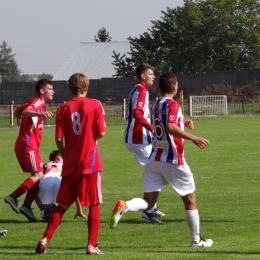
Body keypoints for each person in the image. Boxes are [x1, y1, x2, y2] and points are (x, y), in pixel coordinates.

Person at [110, 72, 213, 247]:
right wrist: (193, 137)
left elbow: (163, 124)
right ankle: (196, 241)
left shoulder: (156, 103)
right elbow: (170, 127)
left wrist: (183, 122)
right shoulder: (173, 104)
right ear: (174, 87)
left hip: (154, 161)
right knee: (190, 200)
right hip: (173, 161)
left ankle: (125, 206)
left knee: (148, 203)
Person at [35, 73, 106, 255]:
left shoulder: (63, 108)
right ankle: (91, 245)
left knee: (62, 205)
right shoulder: (95, 104)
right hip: (90, 163)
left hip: (70, 164)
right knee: (94, 204)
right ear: (86, 87)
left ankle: (45, 239)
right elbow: (101, 133)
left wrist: (65, 152)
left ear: (70, 88)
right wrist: (90, 139)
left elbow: (58, 137)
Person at [110, 63, 164, 228]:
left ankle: (151, 208)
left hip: (133, 138)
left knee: (154, 172)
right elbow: (138, 113)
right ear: (142, 76)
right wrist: (152, 128)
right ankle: (132, 207)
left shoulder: (136, 89)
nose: (153, 76)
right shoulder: (142, 90)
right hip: (140, 138)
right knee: (159, 172)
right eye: (150, 73)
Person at [4, 79, 54, 222]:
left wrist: (29, 115)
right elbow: (25, 112)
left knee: (37, 177)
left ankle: (27, 206)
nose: (53, 91)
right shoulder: (38, 103)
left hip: (29, 146)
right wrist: (40, 114)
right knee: (39, 174)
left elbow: (17, 112)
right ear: (42, 91)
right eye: (50, 88)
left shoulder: (36, 103)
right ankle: (13, 197)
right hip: (28, 145)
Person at [40, 150, 86, 222]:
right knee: (60, 204)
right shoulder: (66, 164)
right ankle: (53, 214)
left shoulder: (46, 165)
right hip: (59, 178)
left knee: (46, 206)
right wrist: (79, 210)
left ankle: (45, 212)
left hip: (45, 178)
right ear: (58, 158)